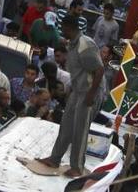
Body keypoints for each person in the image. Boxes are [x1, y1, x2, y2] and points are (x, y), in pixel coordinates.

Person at [36, 15, 104, 177]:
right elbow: (78, 72)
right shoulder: (72, 45)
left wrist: (91, 95)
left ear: (69, 28)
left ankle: (77, 167)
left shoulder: (84, 44)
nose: (61, 31)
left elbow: (99, 70)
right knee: (66, 125)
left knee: (79, 130)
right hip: (77, 91)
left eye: (63, 28)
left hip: (89, 92)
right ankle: (55, 158)